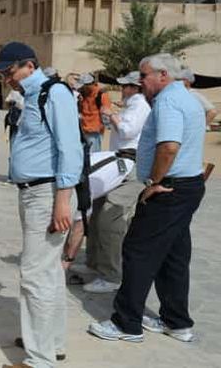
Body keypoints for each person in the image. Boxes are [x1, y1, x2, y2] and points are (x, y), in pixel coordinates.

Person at [89, 53, 206, 343]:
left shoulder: (168, 101)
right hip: (186, 186)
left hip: (168, 189)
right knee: (174, 256)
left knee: (137, 251)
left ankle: (126, 323)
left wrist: (153, 182)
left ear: (163, 75)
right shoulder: (189, 97)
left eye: (144, 76)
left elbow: (168, 147)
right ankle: (176, 322)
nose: (140, 82)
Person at [0, 42, 82, 368]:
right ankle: (50, 343)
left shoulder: (53, 93)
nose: (6, 78)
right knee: (49, 274)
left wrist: (62, 201)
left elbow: (70, 148)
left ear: (29, 65)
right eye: (2, 73)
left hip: (46, 193)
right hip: (32, 192)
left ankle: (39, 359)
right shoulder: (31, 95)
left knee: (34, 275)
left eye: (9, 71)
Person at [74, 71, 150, 294]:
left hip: (131, 165)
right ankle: (95, 263)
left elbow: (127, 131)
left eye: (126, 86)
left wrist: (111, 114)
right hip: (120, 162)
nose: (122, 90)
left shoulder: (140, 104)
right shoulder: (133, 105)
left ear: (134, 88)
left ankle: (111, 274)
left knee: (110, 218)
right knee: (97, 211)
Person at [77, 73, 111, 153]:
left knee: (92, 158)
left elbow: (106, 115)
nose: (80, 88)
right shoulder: (82, 95)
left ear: (89, 85)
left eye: (83, 86)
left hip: (94, 133)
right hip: (83, 131)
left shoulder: (101, 95)